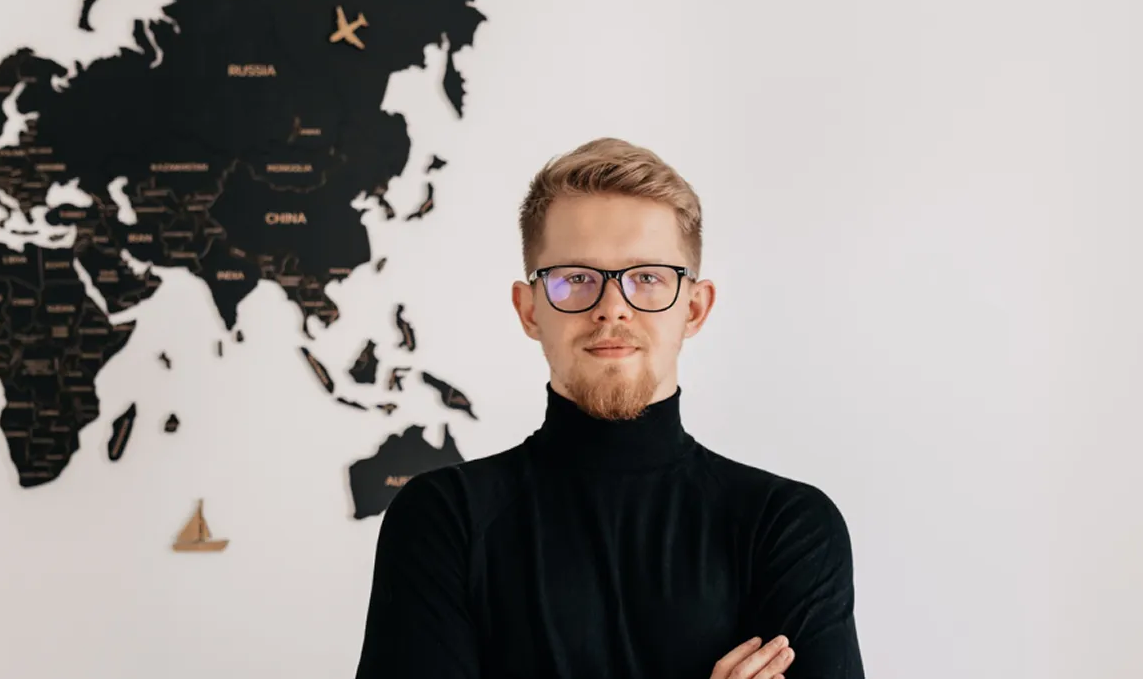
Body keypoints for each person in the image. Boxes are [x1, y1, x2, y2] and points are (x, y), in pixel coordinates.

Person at [353, 138, 865, 679]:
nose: (611, 308)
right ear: (529, 310)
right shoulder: (444, 520)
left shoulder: (787, 527)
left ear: (694, 307)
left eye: (647, 278)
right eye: (576, 279)